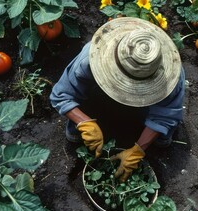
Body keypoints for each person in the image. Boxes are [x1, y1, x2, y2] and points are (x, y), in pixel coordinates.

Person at [50, 17, 185, 182]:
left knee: (164, 138)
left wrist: (138, 150)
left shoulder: (171, 77)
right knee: (79, 123)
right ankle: (80, 127)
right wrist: (84, 122)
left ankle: (152, 140)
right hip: (100, 95)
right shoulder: (91, 57)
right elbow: (61, 94)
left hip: (146, 108)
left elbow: (165, 115)